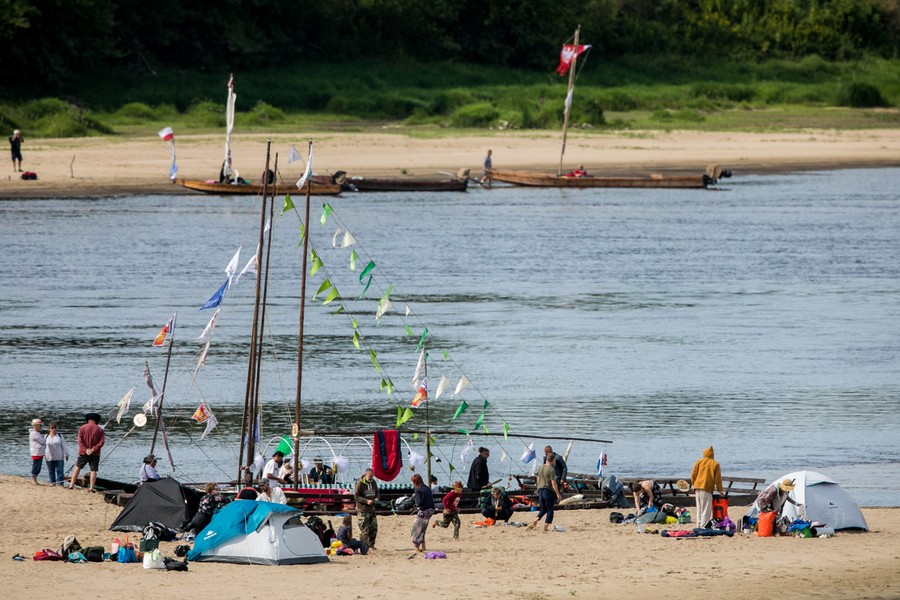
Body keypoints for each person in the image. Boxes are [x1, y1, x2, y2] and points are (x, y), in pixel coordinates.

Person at [68, 413, 105, 491]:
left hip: (83, 452)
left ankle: (71, 485)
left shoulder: (82, 428)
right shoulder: (100, 429)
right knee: (93, 470)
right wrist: (93, 449)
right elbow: (101, 442)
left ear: (88, 419)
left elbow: (80, 440)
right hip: (95, 453)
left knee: (77, 468)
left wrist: (86, 449)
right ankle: (91, 488)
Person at [690, 445, 723, 528]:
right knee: (705, 510)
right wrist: (720, 490)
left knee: (699, 509)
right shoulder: (715, 464)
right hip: (706, 488)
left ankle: (698, 526)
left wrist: (694, 484)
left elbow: (693, 475)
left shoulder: (698, 462)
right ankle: (704, 526)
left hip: (697, 488)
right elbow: (718, 479)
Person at [528, 453, 562, 531]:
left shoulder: (540, 467)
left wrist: (538, 487)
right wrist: (558, 493)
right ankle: (545, 527)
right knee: (550, 509)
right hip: (548, 490)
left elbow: (537, 478)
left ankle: (537, 518)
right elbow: (553, 482)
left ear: (546, 459)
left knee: (543, 508)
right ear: (553, 460)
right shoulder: (551, 470)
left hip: (540, 490)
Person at [354, 468, 380, 549]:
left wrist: (377, 498)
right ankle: (365, 546)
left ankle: (372, 545)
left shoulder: (373, 482)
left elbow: (377, 492)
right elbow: (356, 496)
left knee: (374, 528)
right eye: (370, 477)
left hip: (372, 509)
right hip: (363, 509)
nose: (371, 478)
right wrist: (366, 501)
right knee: (365, 529)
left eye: (372, 476)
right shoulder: (360, 483)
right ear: (365, 475)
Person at [410, 473, 434, 553]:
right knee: (423, 528)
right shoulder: (427, 488)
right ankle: (423, 545)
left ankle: (417, 547)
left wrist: (416, 505)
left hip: (424, 511)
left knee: (416, 529)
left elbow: (419, 502)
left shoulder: (417, 489)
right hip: (431, 510)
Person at [44, 422, 68, 486]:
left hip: (59, 457)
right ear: (49, 429)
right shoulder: (46, 436)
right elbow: (43, 446)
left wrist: (66, 454)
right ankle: (52, 483)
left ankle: (60, 484)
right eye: (52, 428)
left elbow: (64, 445)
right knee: (51, 471)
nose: (54, 429)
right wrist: (42, 454)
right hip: (49, 457)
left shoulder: (60, 436)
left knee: (60, 471)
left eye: (55, 428)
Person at [28, 418, 45, 485]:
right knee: (36, 466)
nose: (41, 427)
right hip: (36, 452)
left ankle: (35, 479)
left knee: (38, 466)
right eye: (39, 425)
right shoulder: (34, 433)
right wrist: (46, 438)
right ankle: (33, 479)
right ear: (35, 426)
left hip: (38, 452)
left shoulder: (36, 433)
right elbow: (42, 441)